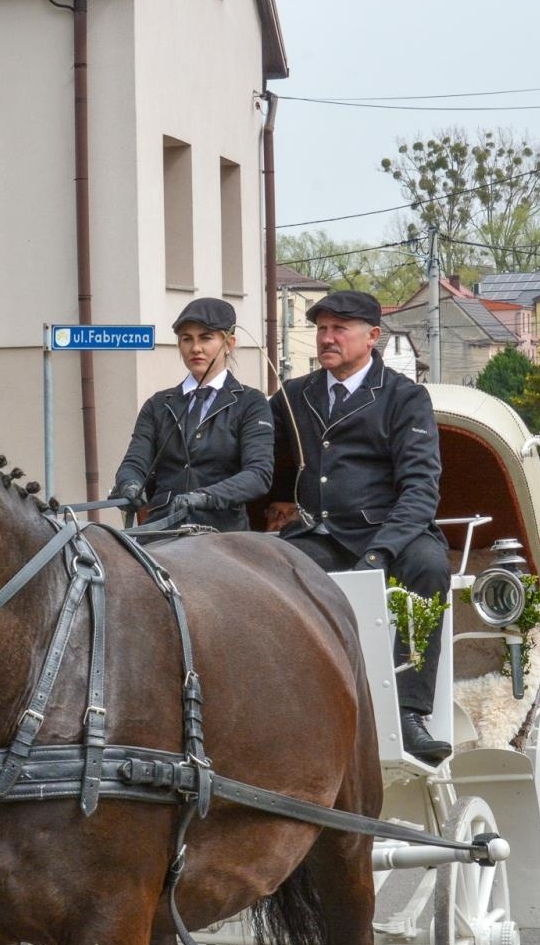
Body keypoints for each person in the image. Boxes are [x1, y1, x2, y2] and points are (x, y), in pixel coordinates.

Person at [267, 289, 451, 765]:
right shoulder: (293, 395)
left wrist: (381, 552)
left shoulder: (405, 397)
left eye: (339, 329)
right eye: (322, 329)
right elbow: (261, 458)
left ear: (372, 336)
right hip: (320, 534)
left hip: (391, 533)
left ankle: (409, 712)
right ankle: (293, 709)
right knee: (270, 576)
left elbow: (420, 489)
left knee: (430, 568)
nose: (327, 338)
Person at [109, 298, 274, 532]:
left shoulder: (250, 402)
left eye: (205, 338)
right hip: (162, 532)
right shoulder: (157, 405)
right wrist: (130, 485)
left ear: (229, 343)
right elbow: (134, 463)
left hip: (223, 534)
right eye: (187, 339)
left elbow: (258, 475)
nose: (195, 348)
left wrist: (204, 497)